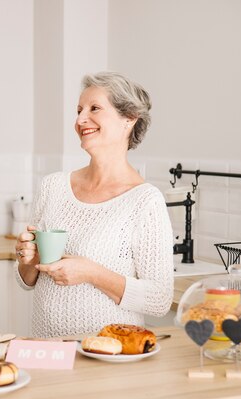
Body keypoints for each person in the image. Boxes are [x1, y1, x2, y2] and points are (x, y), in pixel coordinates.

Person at [14, 71, 174, 338]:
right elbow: (27, 280)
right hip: (47, 350)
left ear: (129, 119)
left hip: (108, 357)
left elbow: (159, 300)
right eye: (78, 110)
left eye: (94, 109)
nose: (79, 120)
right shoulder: (53, 187)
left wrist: (92, 273)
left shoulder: (144, 200)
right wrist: (28, 258)